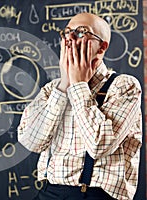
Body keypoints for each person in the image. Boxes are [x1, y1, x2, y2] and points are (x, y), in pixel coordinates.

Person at [17, 12, 142, 200]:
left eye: (81, 33)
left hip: (95, 194)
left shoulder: (124, 86)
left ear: (101, 48)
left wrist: (78, 86)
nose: (70, 39)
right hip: (49, 192)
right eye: (66, 33)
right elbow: (31, 141)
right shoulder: (52, 89)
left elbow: (99, 145)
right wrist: (64, 85)